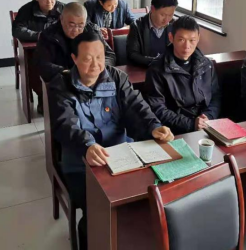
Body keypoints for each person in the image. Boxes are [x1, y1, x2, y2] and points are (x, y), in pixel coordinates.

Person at [49, 30, 174, 250]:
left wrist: (154, 127)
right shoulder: (61, 85)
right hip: (81, 163)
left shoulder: (116, 78)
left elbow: (137, 106)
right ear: (74, 59)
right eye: (88, 59)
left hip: (121, 155)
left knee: (147, 198)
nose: (95, 65)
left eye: (99, 57)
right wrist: (87, 145)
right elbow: (65, 124)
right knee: (96, 211)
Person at [144, 16, 221, 134]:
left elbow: (215, 96)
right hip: (175, 131)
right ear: (171, 38)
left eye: (192, 40)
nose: (187, 46)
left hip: (207, 126)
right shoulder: (157, 69)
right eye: (181, 40)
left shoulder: (206, 64)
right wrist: (191, 124)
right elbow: (157, 109)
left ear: (198, 38)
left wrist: (208, 117)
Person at [34, 2, 116, 83]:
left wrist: (99, 68)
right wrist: (68, 72)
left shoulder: (92, 31)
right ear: (61, 19)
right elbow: (42, 64)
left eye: (80, 26)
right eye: (71, 25)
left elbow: (109, 55)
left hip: (92, 78)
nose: (76, 30)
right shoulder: (49, 35)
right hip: (63, 81)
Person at [127, 0, 178, 66]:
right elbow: (132, 55)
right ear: (152, 9)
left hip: (169, 69)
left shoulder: (176, 25)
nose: (167, 19)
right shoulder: (137, 26)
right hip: (145, 69)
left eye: (170, 15)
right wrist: (156, 62)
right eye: (163, 15)